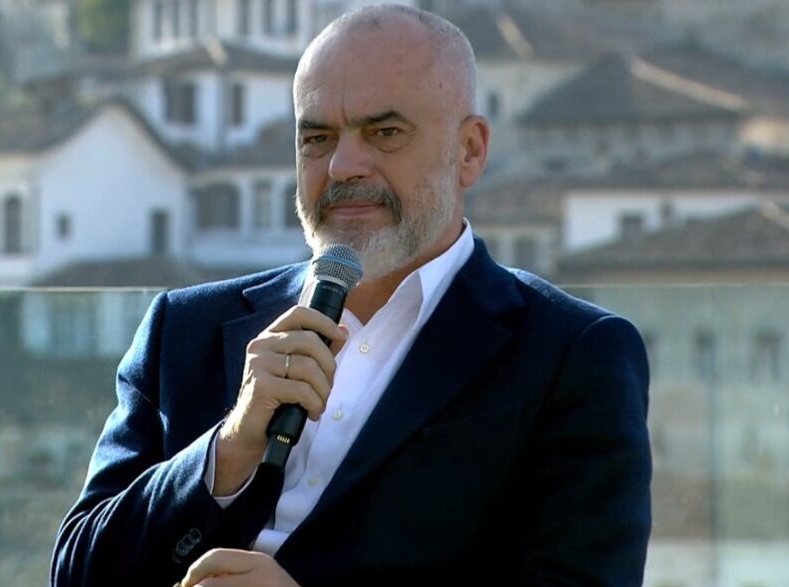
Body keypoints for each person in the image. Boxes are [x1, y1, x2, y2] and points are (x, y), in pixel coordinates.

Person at [51, 5, 651, 586]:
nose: (342, 165)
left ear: (469, 151)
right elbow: (76, 573)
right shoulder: (185, 329)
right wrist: (226, 451)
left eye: (384, 133)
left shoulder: (572, 355)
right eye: (317, 138)